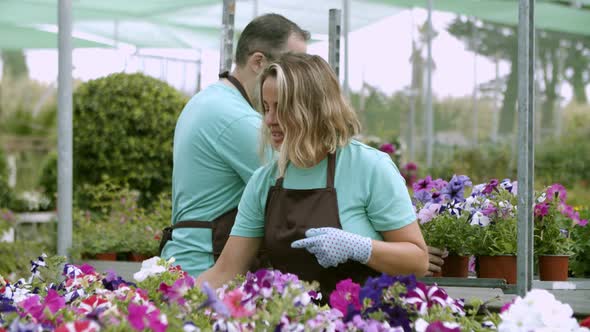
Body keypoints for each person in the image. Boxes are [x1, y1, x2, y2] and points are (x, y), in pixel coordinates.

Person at [196, 53, 429, 293]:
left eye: (281, 108)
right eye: (266, 108)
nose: (269, 120)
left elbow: (418, 261)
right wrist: (174, 299)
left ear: (314, 109)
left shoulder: (369, 167)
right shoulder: (264, 182)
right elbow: (225, 271)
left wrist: (361, 248)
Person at [159, 14, 310, 277]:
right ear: (259, 62)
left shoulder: (210, 100)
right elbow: (294, 188)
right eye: (291, 65)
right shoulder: (235, 117)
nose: (299, 76)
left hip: (189, 262)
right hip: (206, 270)